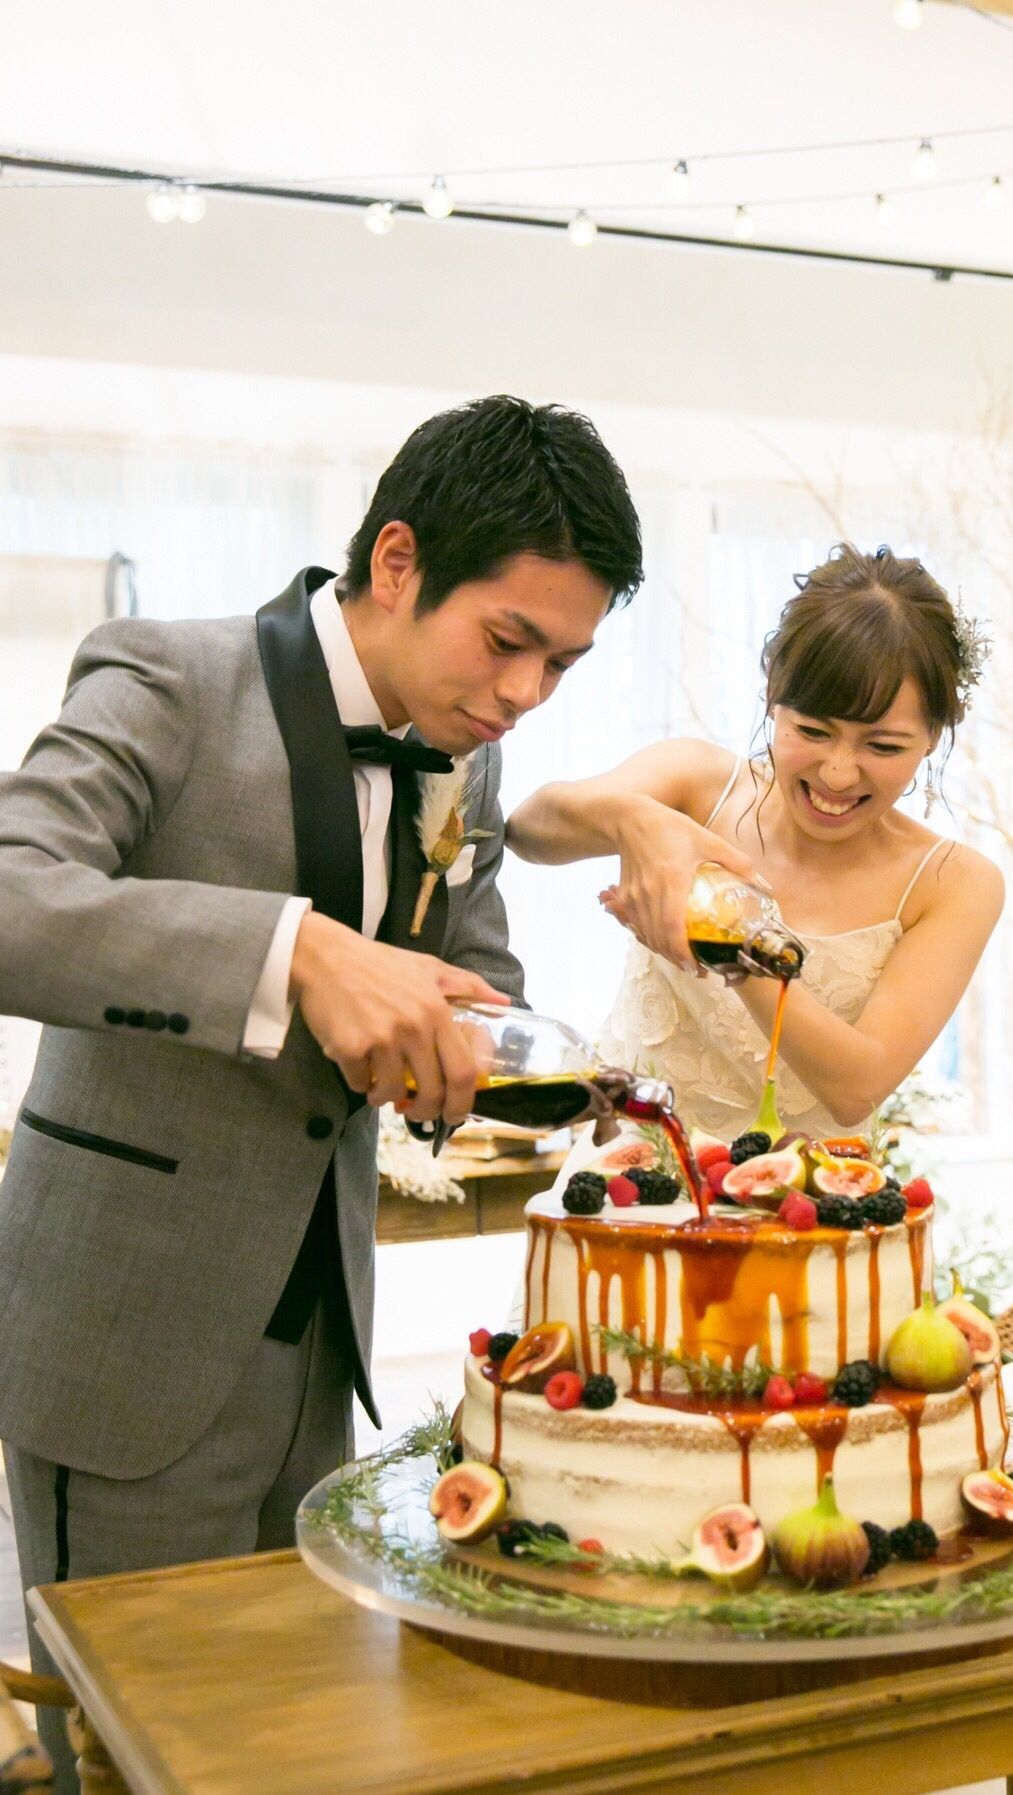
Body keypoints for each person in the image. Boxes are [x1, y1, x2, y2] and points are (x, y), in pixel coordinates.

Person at [0, 394, 642, 1789]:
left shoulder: (468, 751)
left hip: (317, 1334)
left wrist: (549, 1060)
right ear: (398, 561)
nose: (526, 691)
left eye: (563, 662)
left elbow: (472, 976)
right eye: (509, 640)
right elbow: (11, 898)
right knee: (121, 1749)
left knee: (274, 1742)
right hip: (124, 1335)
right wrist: (294, 951)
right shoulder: (166, 675)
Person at [507, 543, 1003, 1145]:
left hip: (802, 1193)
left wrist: (731, 946)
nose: (838, 773)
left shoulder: (953, 883)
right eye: (812, 731)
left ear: (934, 735)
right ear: (772, 699)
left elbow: (856, 1089)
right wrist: (631, 819)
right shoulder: (694, 783)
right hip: (626, 1177)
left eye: (883, 747)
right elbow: (527, 830)